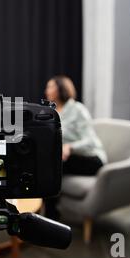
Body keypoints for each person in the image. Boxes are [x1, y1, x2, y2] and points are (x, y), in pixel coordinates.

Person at [43, 74, 107, 220]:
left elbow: (90, 140)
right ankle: (48, 213)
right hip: (71, 158)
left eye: (50, 86)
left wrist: (70, 147)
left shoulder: (78, 109)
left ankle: (51, 217)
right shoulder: (52, 112)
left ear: (61, 89)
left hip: (92, 158)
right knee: (45, 165)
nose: (47, 90)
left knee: (51, 168)